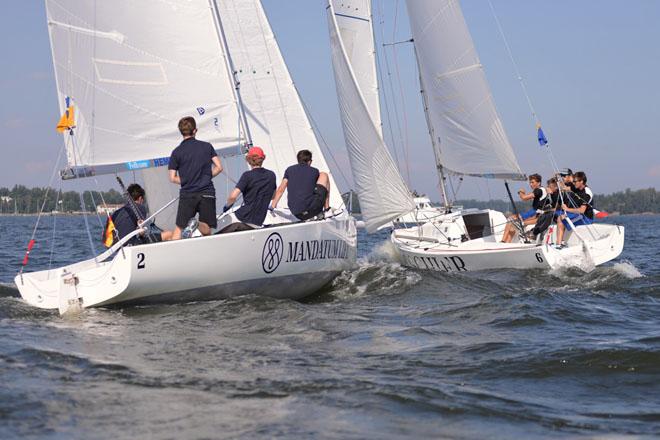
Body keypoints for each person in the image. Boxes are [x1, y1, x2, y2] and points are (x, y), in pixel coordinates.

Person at [168, 116, 223, 240]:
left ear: (181, 132)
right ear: (195, 130)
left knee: (179, 227)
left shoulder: (176, 152)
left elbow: (172, 177)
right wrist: (206, 177)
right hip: (207, 192)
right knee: (207, 228)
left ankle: (173, 253)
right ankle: (196, 224)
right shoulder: (207, 146)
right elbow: (219, 167)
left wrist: (188, 179)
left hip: (188, 193)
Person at [218, 146, 276, 233]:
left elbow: (233, 197)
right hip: (258, 221)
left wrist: (227, 206)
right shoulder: (271, 175)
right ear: (263, 158)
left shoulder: (247, 175)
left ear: (249, 160)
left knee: (216, 227)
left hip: (243, 217)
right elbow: (273, 196)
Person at [102, 184, 173, 247]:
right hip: (131, 246)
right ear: (140, 198)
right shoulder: (140, 208)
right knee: (169, 234)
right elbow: (141, 232)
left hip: (116, 248)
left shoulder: (117, 212)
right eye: (143, 199)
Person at [270, 149, 330, 220]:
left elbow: (281, 189)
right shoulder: (315, 171)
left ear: (298, 160)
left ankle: (316, 213)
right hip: (311, 210)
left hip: (296, 213)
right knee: (324, 175)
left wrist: (272, 207)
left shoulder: (289, 170)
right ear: (310, 161)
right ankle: (327, 210)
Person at [501, 174, 547, 243]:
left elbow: (524, 198)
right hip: (534, 212)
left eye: (533, 182)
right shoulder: (538, 190)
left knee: (511, 219)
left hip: (535, 213)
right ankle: (507, 242)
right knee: (512, 224)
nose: (531, 184)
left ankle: (503, 241)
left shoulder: (539, 190)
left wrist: (521, 192)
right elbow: (527, 196)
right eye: (530, 182)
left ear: (539, 183)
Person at [554, 171, 594, 248]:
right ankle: (560, 242)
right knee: (558, 216)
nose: (573, 183)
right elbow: (563, 187)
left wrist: (567, 209)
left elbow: (582, 210)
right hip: (578, 215)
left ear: (581, 181)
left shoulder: (586, 193)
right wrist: (557, 179)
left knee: (561, 218)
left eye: (575, 181)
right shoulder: (576, 188)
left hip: (586, 218)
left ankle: (559, 244)